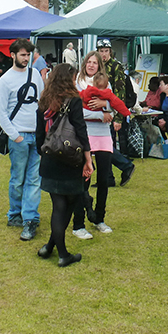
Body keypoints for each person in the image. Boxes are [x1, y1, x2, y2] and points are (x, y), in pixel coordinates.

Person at [35, 63, 94, 268]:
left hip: (50, 157)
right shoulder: (74, 100)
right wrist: (88, 158)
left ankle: (50, 246)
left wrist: (42, 154)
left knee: (60, 204)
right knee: (64, 206)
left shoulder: (44, 100)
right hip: (70, 158)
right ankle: (62, 254)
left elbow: (39, 134)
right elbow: (81, 130)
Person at [0, 37, 44, 241]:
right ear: (13, 55)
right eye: (23, 55)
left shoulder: (35, 74)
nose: (26, 58)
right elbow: (1, 113)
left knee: (34, 178)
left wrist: (44, 130)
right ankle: (14, 214)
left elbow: (43, 102)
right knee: (18, 179)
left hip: (37, 134)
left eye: (29, 55)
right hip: (19, 136)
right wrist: (15, 137)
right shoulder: (5, 80)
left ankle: (30, 218)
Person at [71, 51, 116, 239]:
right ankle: (79, 223)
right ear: (84, 64)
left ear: (100, 66)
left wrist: (104, 103)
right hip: (84, 135)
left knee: (104, 179)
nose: (91, 65)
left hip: (104, 135)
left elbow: (113, 110)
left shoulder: (106, 83)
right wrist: (100, 113)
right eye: (88, 62)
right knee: (83, 179)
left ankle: (99, 218)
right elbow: (77, 112)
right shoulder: (77, 83)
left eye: (95, 63)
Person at [96, 39, 135, 186]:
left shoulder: (115, 66)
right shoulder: (97, 66)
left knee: (105, 146)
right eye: (101, 51)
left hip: (111, 111)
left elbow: (120, 93)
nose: (104, 54)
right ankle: (108, 178)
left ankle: (126, 165)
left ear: (110, 52)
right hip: (99, 111)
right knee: (103, 146)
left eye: (106, 51)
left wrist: (118, 118)